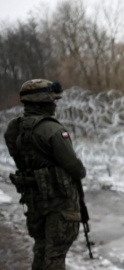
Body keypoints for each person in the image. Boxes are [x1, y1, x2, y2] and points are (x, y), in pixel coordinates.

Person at [4, 79, 86, 270]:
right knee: (55, 254)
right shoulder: (52, 129)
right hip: (58, 201)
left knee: (41, 248)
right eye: (52, 101)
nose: (55, 105)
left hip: (34, 199)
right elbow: (75, 167)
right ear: (44, 102)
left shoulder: (13, 130)